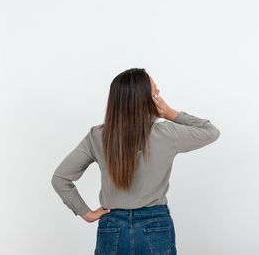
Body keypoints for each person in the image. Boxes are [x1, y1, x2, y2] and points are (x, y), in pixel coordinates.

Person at [51, 68, 220, 254]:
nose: (158, 93)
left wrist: (86, 213)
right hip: (156, 225)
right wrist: (170, 113)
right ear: (144, 98)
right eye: (155, 90)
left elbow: (60, 178)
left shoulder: (97, 136)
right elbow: (210, 131)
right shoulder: (167, 133)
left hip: (112, 226)